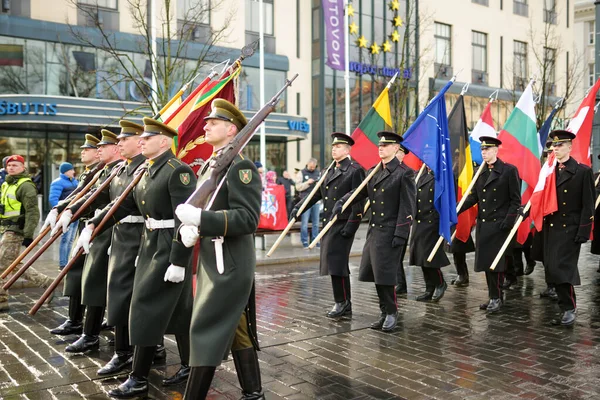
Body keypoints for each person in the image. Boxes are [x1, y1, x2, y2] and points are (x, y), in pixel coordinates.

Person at [78, 118, 196, 398]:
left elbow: (185, 221)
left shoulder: (177, 172)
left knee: (145, 307)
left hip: (169, 245)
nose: (141, 141)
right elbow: (122, 207)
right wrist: (93, 224)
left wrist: (179, 260)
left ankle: (139, 377)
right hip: (149, 243)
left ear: (164, 142)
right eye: (141, 138)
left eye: (147, 138)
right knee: (176, 309)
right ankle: (190, 364)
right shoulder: (147, 170)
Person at [175, 99, 264, 399]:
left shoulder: (240, 167)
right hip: (214, 261)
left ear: (231, 130)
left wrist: (202, 220)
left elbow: (248, 219)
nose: (205, 125)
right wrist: (193, 228)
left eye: (213, 122)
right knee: (237, 328)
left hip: (231, 264)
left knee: (205, 328)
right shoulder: (214, 166)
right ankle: (254, 393)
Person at [80, 121, 147, 375]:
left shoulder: (143, 168)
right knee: (118, 294)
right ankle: (123, 350)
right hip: (119, 236)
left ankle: (131, 351)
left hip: (138, 238)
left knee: (133, 297)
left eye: (123, 140)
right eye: (117, 140)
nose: (119, 144)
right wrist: (70, 211)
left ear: (139, 141)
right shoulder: (122, 169)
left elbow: (133, 206)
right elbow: (102, 199)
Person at [334, 132, 416, 332]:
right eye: (380, 145)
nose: (381, 148)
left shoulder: (404, 173)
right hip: (375, 232)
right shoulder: (374, 171)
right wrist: (343, 201)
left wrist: (401, 234)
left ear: (396, 148)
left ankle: (391, 312)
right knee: (377, 275)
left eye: (386, 145)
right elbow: (359, 191)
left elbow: (408, 207)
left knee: (387, 276)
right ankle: (383, 312)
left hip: (391, 232)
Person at [50, 130, 124, 353]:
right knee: (80, 274)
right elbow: (84, 194)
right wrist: (63, 208)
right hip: (94, 224)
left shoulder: (116, 171)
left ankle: (95, 332)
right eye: (95, 147)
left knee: (98, 281)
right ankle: (82, 325)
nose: (95, 150)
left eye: (100, 146)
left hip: (108, 228)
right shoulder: (102, 171)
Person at [291, 133, 365, 318]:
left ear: (348, 150)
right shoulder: (328, 170)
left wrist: (352, 225)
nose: (334, 149)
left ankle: (342, 302)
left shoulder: (355, 170)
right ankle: (344, 302)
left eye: (339, 146)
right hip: (329, 224)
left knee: (337, 263)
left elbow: (359, 200)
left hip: (343, 223)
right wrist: (299, 208)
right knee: (334, 264)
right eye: (333, 146)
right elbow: (316, 194)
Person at [458, 136, 521, 314]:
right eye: (482, 150)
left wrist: (508, 222)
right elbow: (473, 197)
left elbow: (515, 200)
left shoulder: (509, 171)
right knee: (487, 263)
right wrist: (456, 210)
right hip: (484, 225)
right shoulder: (480, 172)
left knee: (497, 264)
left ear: (496, 150)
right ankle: (493, 295)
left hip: (500, 226)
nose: (484, 152)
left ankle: (497, 297)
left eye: (488, 149)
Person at [46, 134, 100, 335]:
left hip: (99, 228)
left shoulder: (103, 171)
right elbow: (77, 195)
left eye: (88, 149)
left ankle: (91, 327)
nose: (82, 152)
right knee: (75, 272)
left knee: (94, 278)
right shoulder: (88, 173)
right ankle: (75, 319)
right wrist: (60, 208)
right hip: (85, 227)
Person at [542, 130, 594, 326]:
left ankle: (569, 308)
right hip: (551, 228)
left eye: (561, 145)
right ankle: (565, 306)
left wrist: (583, 231)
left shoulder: (582, 171)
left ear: (570, 147)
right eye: (554, 146)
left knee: (562, 269)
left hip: (569, 228)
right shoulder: (549, 170)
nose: (556, 148)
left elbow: (588, 205)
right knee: (552, 269)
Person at [0, 155, 54, 312]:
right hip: (6, 229)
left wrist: (29, 235)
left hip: (16, 230)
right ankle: (47, 283)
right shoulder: (7, 184)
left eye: (15, 165)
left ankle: (1, 299)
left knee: (2, 265)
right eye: (9, 165)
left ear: (23, 168)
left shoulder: (26, 185)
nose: (11, 168)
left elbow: (32, 212)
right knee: (12, 264)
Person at [410, 167, 450, 302]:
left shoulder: (441, 177)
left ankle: (440, 283)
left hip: (432, 222)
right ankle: (429, 288)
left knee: (430, 256)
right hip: (419, 221)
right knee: (420, 257)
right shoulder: (419, 174)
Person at [49, 162, 79, 270]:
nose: (73, 172)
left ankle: (68, 262)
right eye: (71, 170)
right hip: (66, 216)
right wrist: (61, 213)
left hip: (75, 215)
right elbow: (53, 199)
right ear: (65, 171)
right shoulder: (58, 183)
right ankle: (63, 264)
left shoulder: (75, 182)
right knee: (65, 239)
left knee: (71, 239)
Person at [394, 144, 412, 294]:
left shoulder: (407, 172)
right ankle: (400, 282)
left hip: (401, 220)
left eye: (399, 151)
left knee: (398, 255)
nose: (396, 154)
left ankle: (401, 283)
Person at [295, 158, 321, 248]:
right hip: (305, 201)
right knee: (304, 223)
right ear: (307, 164)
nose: (312, 169)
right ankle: (305, 241)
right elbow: (298, 187)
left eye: (314, 167)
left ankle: (315, 240)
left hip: (316, 201)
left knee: (316, 223)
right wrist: (307, 183)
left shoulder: (318, 173)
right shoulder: (301, 173)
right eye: (310, 167)